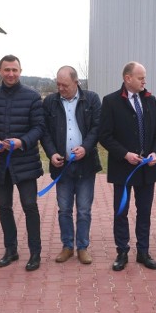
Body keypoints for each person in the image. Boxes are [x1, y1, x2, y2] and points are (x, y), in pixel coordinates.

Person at [99, 61, 156, 271]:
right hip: (123, 168)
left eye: (144, 77)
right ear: (128, 79)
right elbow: (105, 136)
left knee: (144, 212)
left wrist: (155, 152)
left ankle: (143, 252)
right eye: (140, 77)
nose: (144, 80)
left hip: (147, 169)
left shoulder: (150, 100)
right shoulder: (111, 101)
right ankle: (122, 252)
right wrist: (124, 154)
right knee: (121, 212)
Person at [0, 55, 45, 271]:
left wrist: (21, 141)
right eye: (7, 69)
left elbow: (39, 127)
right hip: (0, 164)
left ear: (20, 70)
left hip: (25, 163)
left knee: (30, 206)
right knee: (4, 207)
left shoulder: (33, 96)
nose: (11, 74)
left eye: (14, 70)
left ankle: (35, 253)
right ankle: (11, 249)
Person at [41, 66, 101, 265]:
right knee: (64, 208)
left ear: (76, 82)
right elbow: (45, 132)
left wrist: (85, 147)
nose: (60, 88)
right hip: (62, 166)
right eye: (58, 84)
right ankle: (67, 246)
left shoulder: (91, 99)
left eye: (64, 85)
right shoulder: (50, 102)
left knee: (84, 209)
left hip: (86, 165)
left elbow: (96, 128)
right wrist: (51, 153)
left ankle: (82, 247)